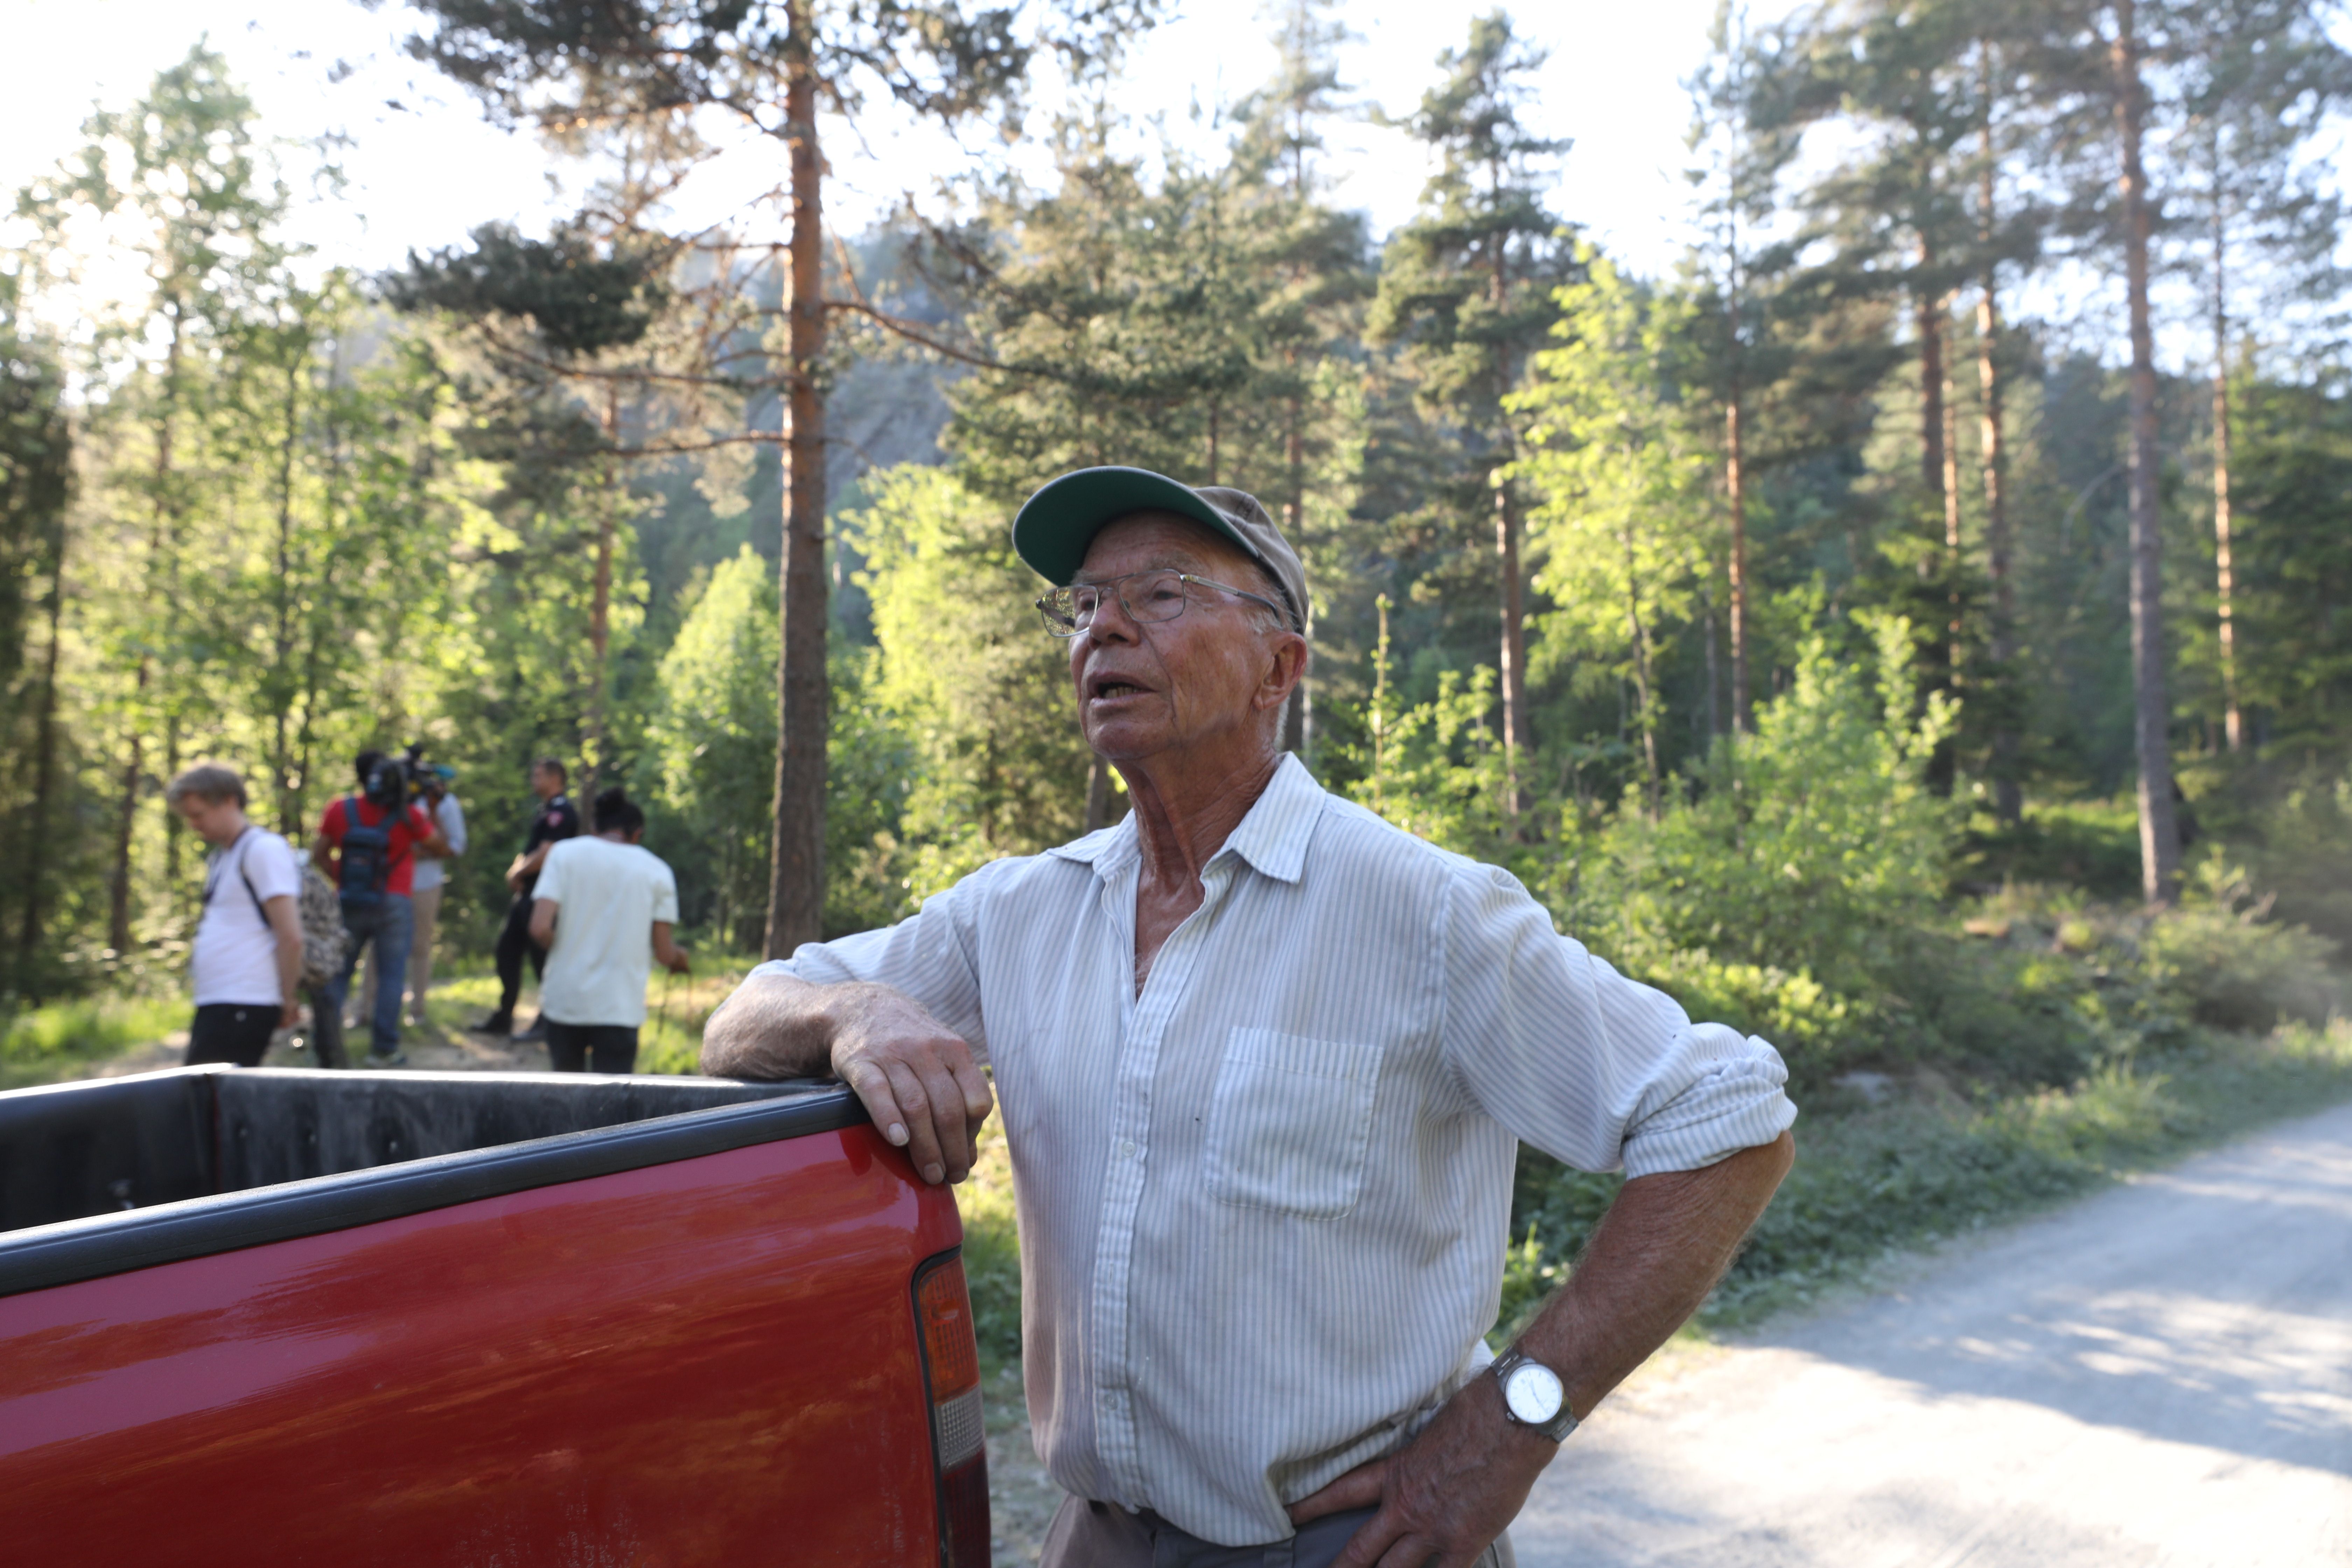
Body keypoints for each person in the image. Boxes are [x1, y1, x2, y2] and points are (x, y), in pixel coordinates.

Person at [701, 467, 1798, 1568]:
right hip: (1096, 1540)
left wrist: (1515, 1422)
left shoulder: (1423, 910)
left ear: (1280, 666)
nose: (1103, 628)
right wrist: (853, 1011)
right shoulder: (1016, 913)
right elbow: (741, 1018)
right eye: (1083, 604)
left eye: (1161, 594)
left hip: (1350, 1544)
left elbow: (1727, 1116)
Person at [527, 786, 688, 1074]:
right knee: (614, 1098)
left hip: (565, 1001)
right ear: (637, 834)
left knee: (566, 1094)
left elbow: (539, 928)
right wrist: (680, 958)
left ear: (594, 828)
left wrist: (566, 946)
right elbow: (664, 954)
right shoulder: (657, 871)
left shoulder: (564, 854)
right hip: (620, 1008)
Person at [314, 750, 447, 1067]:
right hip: (394, 903)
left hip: (349, 901)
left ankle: (325, 1046)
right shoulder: (409, 815)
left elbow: (319, 854)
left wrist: (343, 880)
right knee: (391, 976)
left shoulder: (340, 809)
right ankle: (384, 1049)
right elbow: (441, 846)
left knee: (338, 974)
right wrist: (432, 807)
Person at [168, 763, 303, 1069]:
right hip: (221, 1000)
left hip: (245, 1000)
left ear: (229, 801)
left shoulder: (263, 850)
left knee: (211, 1094)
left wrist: (288, 998)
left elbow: (290, 935)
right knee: (204, 1091)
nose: (194, 825)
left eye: (199, 815)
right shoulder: (223, 857)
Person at [475, 757, 580, 1040]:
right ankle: (504, 1016)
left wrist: (518, 872)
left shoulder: (561, 811)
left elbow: (547, 853)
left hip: (544, 896)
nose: (534, 781)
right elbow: (533, 850)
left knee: (542, 960)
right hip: (528, 894)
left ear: (555, 779)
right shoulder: (545, 810)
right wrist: (518, 870)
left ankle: (549, 1020)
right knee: (507, 952)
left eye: (539, 776)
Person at [362, 758, 467, 1029]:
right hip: (388, 884)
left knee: (420, 946)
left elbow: (454, 846)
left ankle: (417, 1011)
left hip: (425, 884)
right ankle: (365, 1011)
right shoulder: (387, 800)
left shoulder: (444, 803)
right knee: (376, 947)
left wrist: (432, 813)